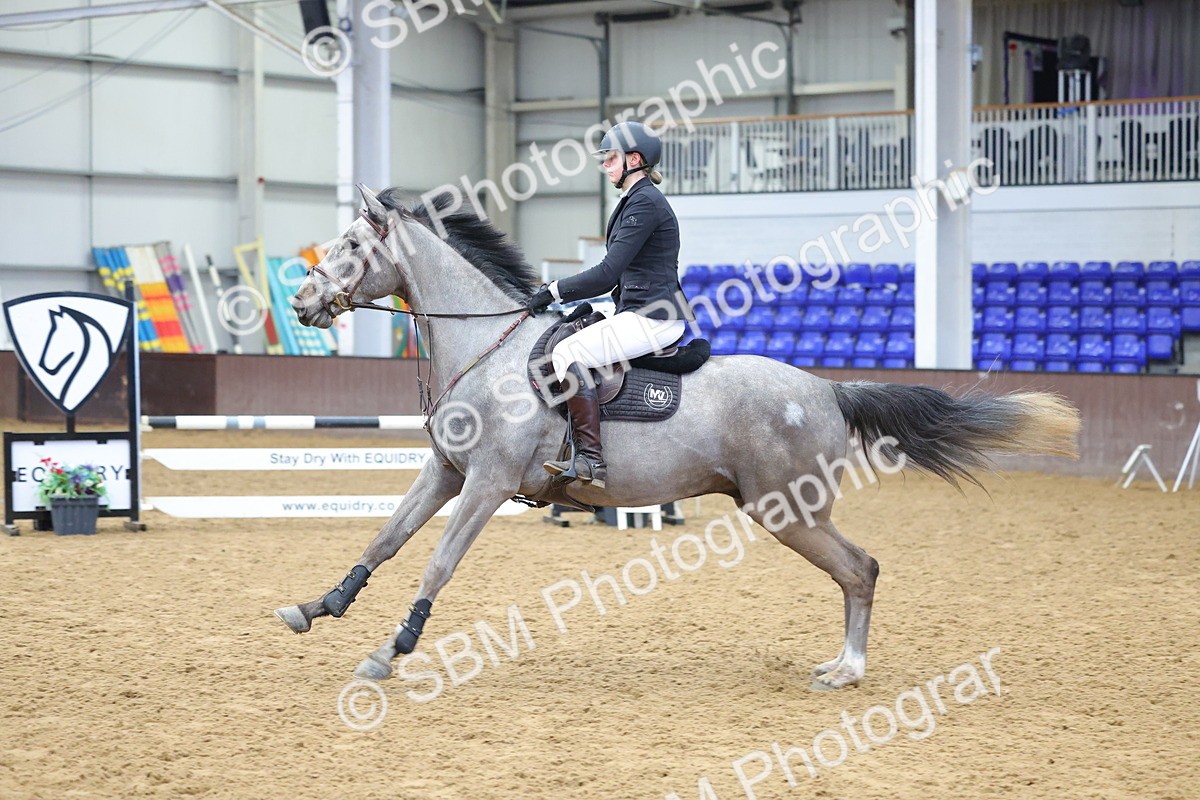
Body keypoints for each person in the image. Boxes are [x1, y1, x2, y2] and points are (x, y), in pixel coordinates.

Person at [527, 120, 695, 489]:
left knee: (569, 354)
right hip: (637, 308)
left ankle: (590, 460)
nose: (605, 165)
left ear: (634, 160)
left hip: (656, 316)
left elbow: (607, 273)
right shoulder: (634, 202)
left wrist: (554, 290)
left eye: (611, 158)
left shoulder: (645, 203)